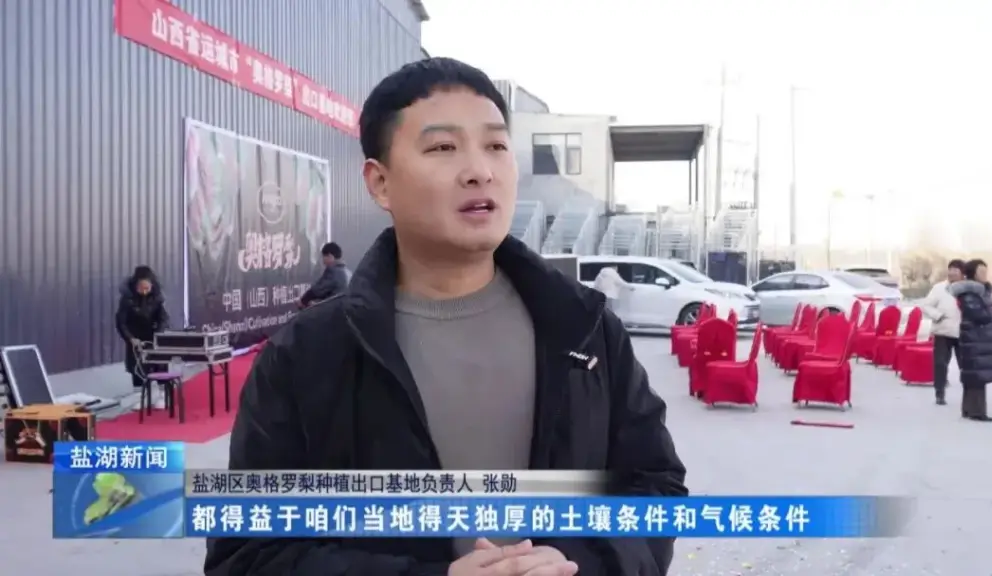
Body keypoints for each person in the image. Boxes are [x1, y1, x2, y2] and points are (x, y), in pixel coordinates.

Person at [206, 57, 686, 576]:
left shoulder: (585, 330)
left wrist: (581, 563)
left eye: (496, 146)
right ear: (380, 182)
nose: (480, 170)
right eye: (443, 148)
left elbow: (654, 488)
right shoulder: (308, 354)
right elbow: (248, 553)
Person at [950, 258, 992, 422]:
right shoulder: (969, 292)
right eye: (981, 271)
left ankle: (969, 409)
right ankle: (977, 411)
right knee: (977, 375)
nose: (984, 274)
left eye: (985, 271)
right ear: (973, 273)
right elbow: (977, 314)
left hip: (980, 337)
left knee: (974, 375)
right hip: (974, 337)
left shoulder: (983, 291)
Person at [115, 266, 169, 389]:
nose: (144, 292)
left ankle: (162, 393)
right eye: (141, 288)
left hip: (153, 337)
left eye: (147, 289)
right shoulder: (127, 299)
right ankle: (140, 394)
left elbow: (163, 319)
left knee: (160, 367)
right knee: (138, 370)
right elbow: (121, 322)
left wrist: (158, 334)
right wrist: (130, 338)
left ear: (152, 286)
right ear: (135, 286)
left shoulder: (157, 297)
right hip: (135, 339)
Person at [919, 259, 965, 405]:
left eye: (956, 270)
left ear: (963, 274)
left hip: (963, 332)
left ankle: (969, 394)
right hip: (943, 331)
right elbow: (925, 306)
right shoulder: (939, 288)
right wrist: (938, 315)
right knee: (940, 364)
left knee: (966, 365)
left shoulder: (967, 288)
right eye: (950, 269)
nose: (952, 273)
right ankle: (939, 392)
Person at [299, 242, 350, 308]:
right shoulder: (347, 272)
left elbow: (317, 290)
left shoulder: (333, 271)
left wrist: (303, 301)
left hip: (333, 312)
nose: (323, 261)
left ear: (330, 256)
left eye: (324, 257)